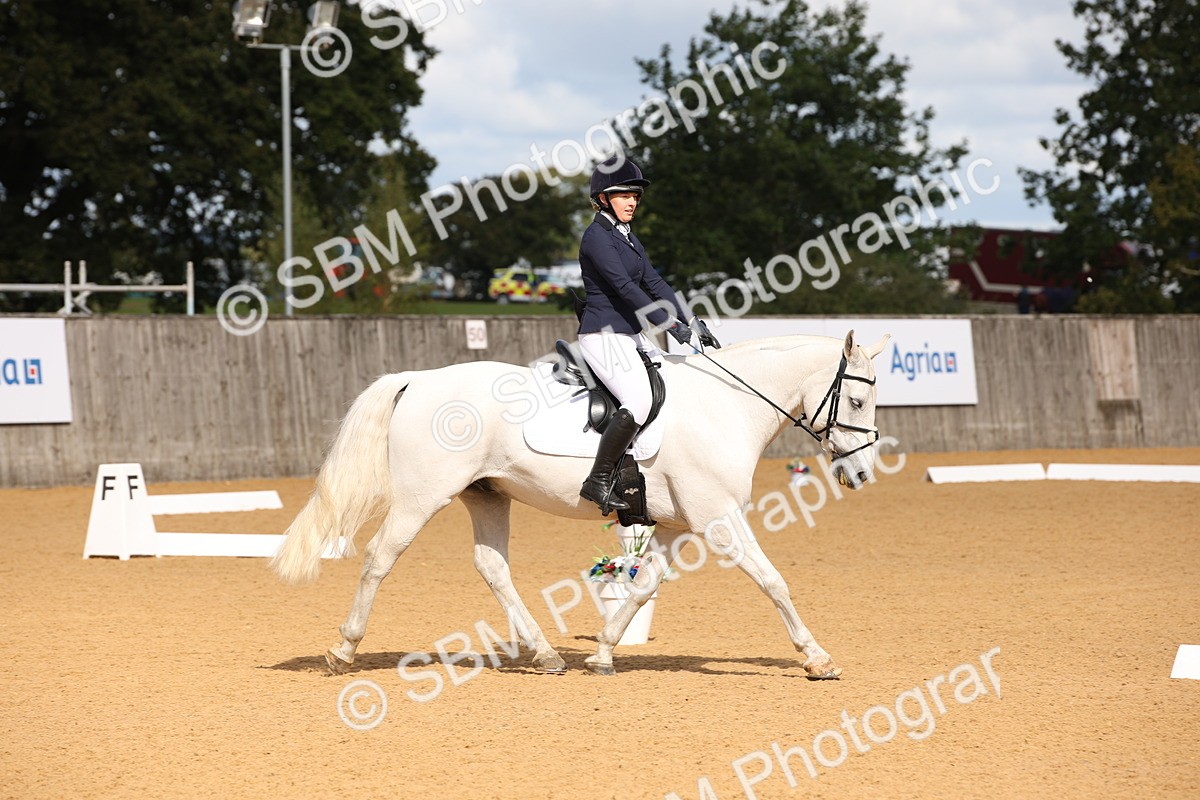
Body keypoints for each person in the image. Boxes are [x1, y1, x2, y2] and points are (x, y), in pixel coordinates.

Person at [575, 155, 717, 514]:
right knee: (638, 399)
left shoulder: (628, 237)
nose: (632, 201)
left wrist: (691, 318)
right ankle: (599, 479)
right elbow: (624, 288)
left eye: (635, 195)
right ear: (604, 198)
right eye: (624, 195)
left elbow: (654, 282)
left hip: (630, 334)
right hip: (603, 334)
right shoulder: (596, 237)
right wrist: (671, 326)